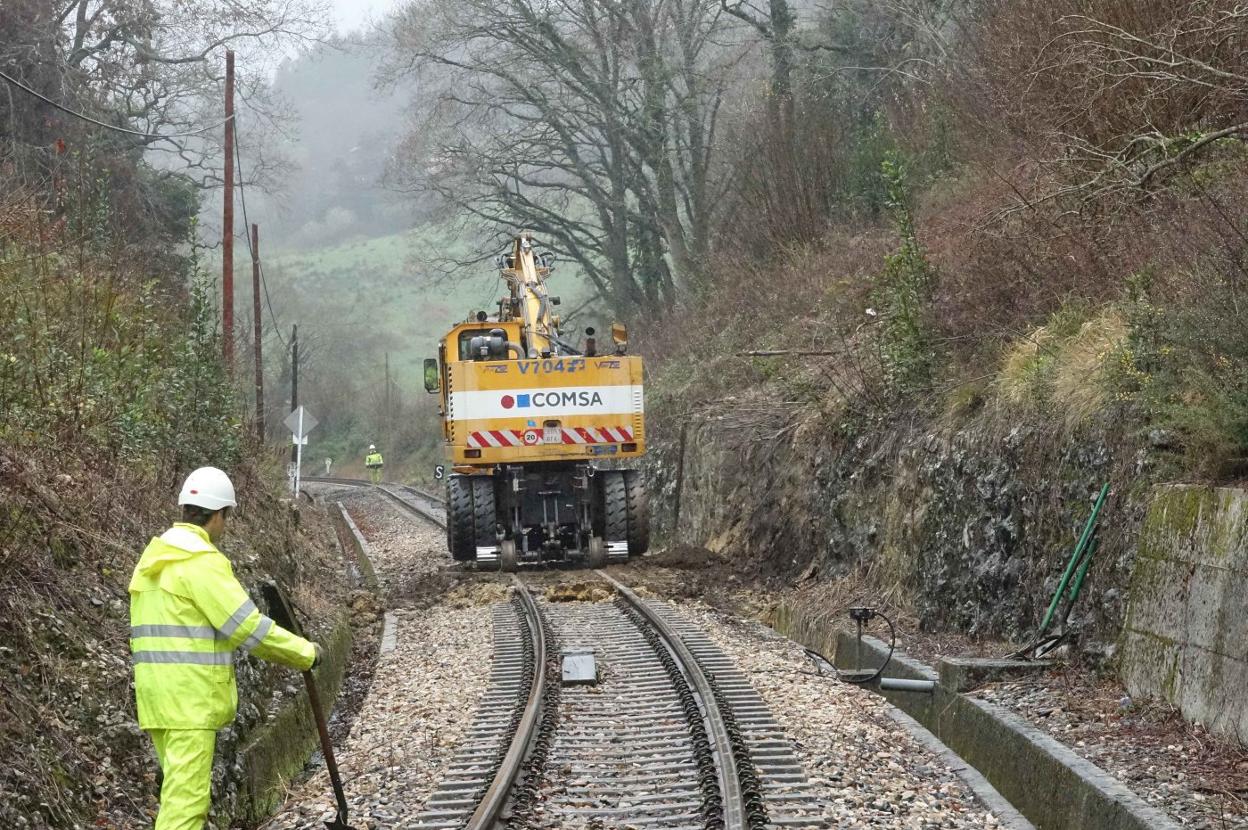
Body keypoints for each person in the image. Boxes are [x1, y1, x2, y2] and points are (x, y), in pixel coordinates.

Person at [129, 467, 321, 830]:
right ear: (217, 515)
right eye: (225, 518)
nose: (225, 526)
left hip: (156, 699)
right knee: (185, 808)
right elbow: (249, 628)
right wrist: (305, 653)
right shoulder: (200, 564)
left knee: (176, 795)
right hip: (190, 703)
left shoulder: (152, 560)